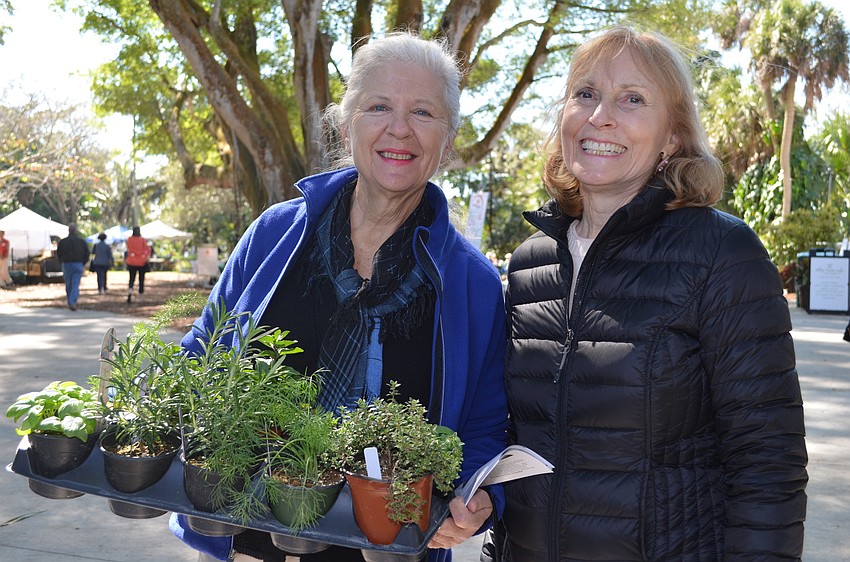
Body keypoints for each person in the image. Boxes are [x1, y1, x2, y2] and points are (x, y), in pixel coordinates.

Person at [171, 32, 508, 562]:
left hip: (391, 547)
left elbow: (486, 427)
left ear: (448, 140)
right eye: (378, 107)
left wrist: (477, 494)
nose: (399, 128)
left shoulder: (473, 284)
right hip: (250, 543)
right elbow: (201, 355)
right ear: (345, 123)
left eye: (423, 111)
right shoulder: (276, 234)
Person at [496, 26, 808, 561]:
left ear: (672, 138)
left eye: (633, 99)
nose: (600, 117)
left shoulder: (721, 253)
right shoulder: (529, 265)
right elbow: (517, 446)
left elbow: (767, 461)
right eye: (585, 94)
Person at [56, 223, 90, 311]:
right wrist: (83, 263)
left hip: (66, 264)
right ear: (76, 230)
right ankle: (72, 301)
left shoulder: (63, 242)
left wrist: (61, 262)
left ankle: (70, 300)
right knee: (75, 284)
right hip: (78, 264)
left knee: (68, 284)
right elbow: (87, 253)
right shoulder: (81, 242)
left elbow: (58, 253)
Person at [124, 226, 150, 303]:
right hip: (141, 262)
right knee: (141, 279)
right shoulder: (143, 240)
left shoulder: (129, 239)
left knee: (131, 279)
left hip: (131, 261)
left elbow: (128, 248)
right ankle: (141, 296)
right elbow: (146, 250)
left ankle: (130, 293)